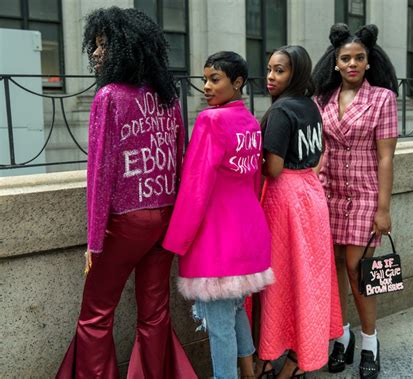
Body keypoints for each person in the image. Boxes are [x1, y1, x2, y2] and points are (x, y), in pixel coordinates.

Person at [56, 7, 196, 378]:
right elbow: (179, 162)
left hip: (126, 222)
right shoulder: (168, 98)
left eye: (103, 45)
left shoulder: (110, 97)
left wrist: (94, 241)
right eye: (95, 46)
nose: (96, 54)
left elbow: (100, 172)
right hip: (165, 216)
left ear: (124, 48)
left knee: (95, 316)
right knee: (155, 313)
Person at [163, 51, 273, 379]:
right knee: (236, 310)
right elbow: (255, 180)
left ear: (237, 82)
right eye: (205, 80)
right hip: (248, 230)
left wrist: (176, 240)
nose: (206, 87)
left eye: (215, 79)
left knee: (220, 325)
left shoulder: (212, 120)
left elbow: (196, 184)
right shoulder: (251, 122)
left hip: (217, 237)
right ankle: (249, 371)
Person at [312, 23, 399, 379]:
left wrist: (383, 208)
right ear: (335, 63)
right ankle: (341, 337)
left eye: (359, 58)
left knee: (357, 272)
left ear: (368, 62)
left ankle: (369, 342)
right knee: (331, 273)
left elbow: (386, 158)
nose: (352, 63)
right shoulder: (322, 100)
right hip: (327, 193)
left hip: (364, 196)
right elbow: (319, 150)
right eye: (345, 58)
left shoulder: (382, 98)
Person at [256, 45, 343, 379]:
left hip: (285, 199)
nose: (270, 77)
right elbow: (318, 157)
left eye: (280, 70)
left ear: (297, 73)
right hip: (311, 195)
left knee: (279, 282)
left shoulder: (280, 112)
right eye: (269, 69)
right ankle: (296, 358)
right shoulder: (310, 106)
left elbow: (273, 169)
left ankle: (272, 357)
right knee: (308, 279)